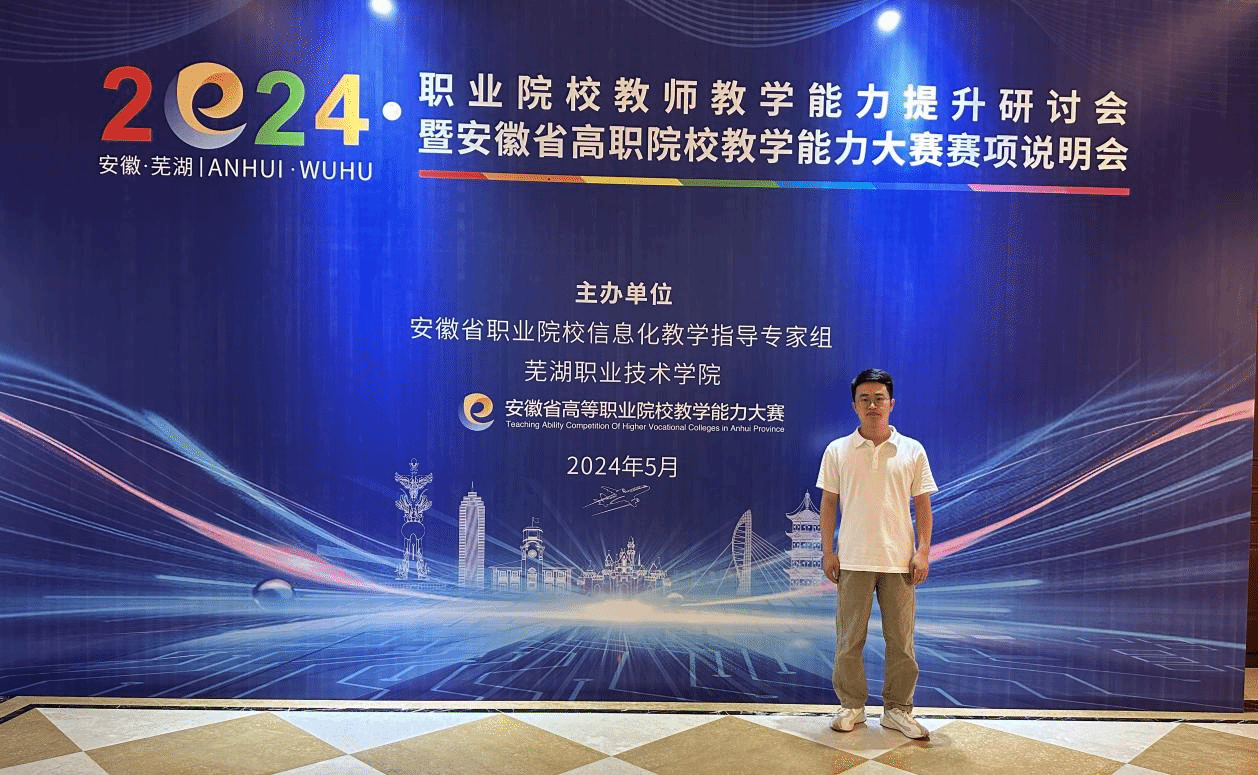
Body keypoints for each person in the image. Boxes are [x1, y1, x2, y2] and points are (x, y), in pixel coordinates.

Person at [816, 368, 937, 739]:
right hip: (853, 559)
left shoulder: (912, 450)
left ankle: (897, 710)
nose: (872, 405)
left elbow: (923, 506)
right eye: (864, 399)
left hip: (899, 561)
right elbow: (829, 503)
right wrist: (827, 551)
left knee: (901, 642)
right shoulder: (837, 450)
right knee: (849, 640)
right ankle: (852, 706)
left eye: (879, 398)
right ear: (855, 405)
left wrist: (922, 551)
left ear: (891, 403)